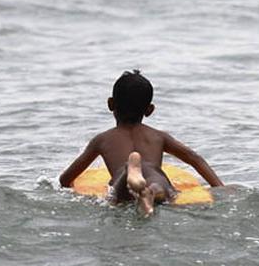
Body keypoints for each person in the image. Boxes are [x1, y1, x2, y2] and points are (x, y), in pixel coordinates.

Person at [59, 70, 223, 215]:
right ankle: (150, 193)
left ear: (110, 104)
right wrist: (219, 187)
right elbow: (194, 158)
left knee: (119, 189)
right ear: (150, 110)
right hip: (154, 175)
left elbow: (65, 179)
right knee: (160, 187)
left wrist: (73, 188)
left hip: (122, 181)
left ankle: (130, 171)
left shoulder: (102, 140)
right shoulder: (158, 136)